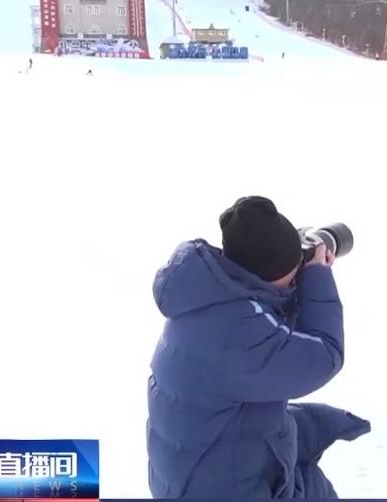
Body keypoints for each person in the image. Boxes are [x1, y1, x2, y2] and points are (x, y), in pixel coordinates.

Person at [146, 196, 369, 499]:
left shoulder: (212, 297)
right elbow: (325, 354)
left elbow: (268, 338)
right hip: (220, 490)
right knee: (316, 489)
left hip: (199, 463)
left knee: (309, 449)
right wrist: (317, 276)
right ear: (269, 277)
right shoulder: (236, 332)